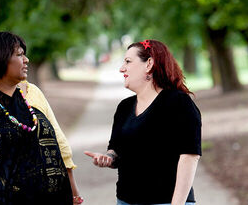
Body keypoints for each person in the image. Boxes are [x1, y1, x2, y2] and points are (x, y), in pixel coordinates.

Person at [0, 32, 83, 205]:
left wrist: (74, 192)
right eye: (19, 54)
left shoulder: (33, 93)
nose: (26, 59)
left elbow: (60, 146)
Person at [84, 39, 201, 205]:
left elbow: (189, 156)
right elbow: (116, 149)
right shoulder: (124, 107)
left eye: (128, 62)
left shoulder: (179, 103)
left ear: (149, 64)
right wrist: (108, 158)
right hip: (125, 200)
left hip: (167, 201)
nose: (121, 68)